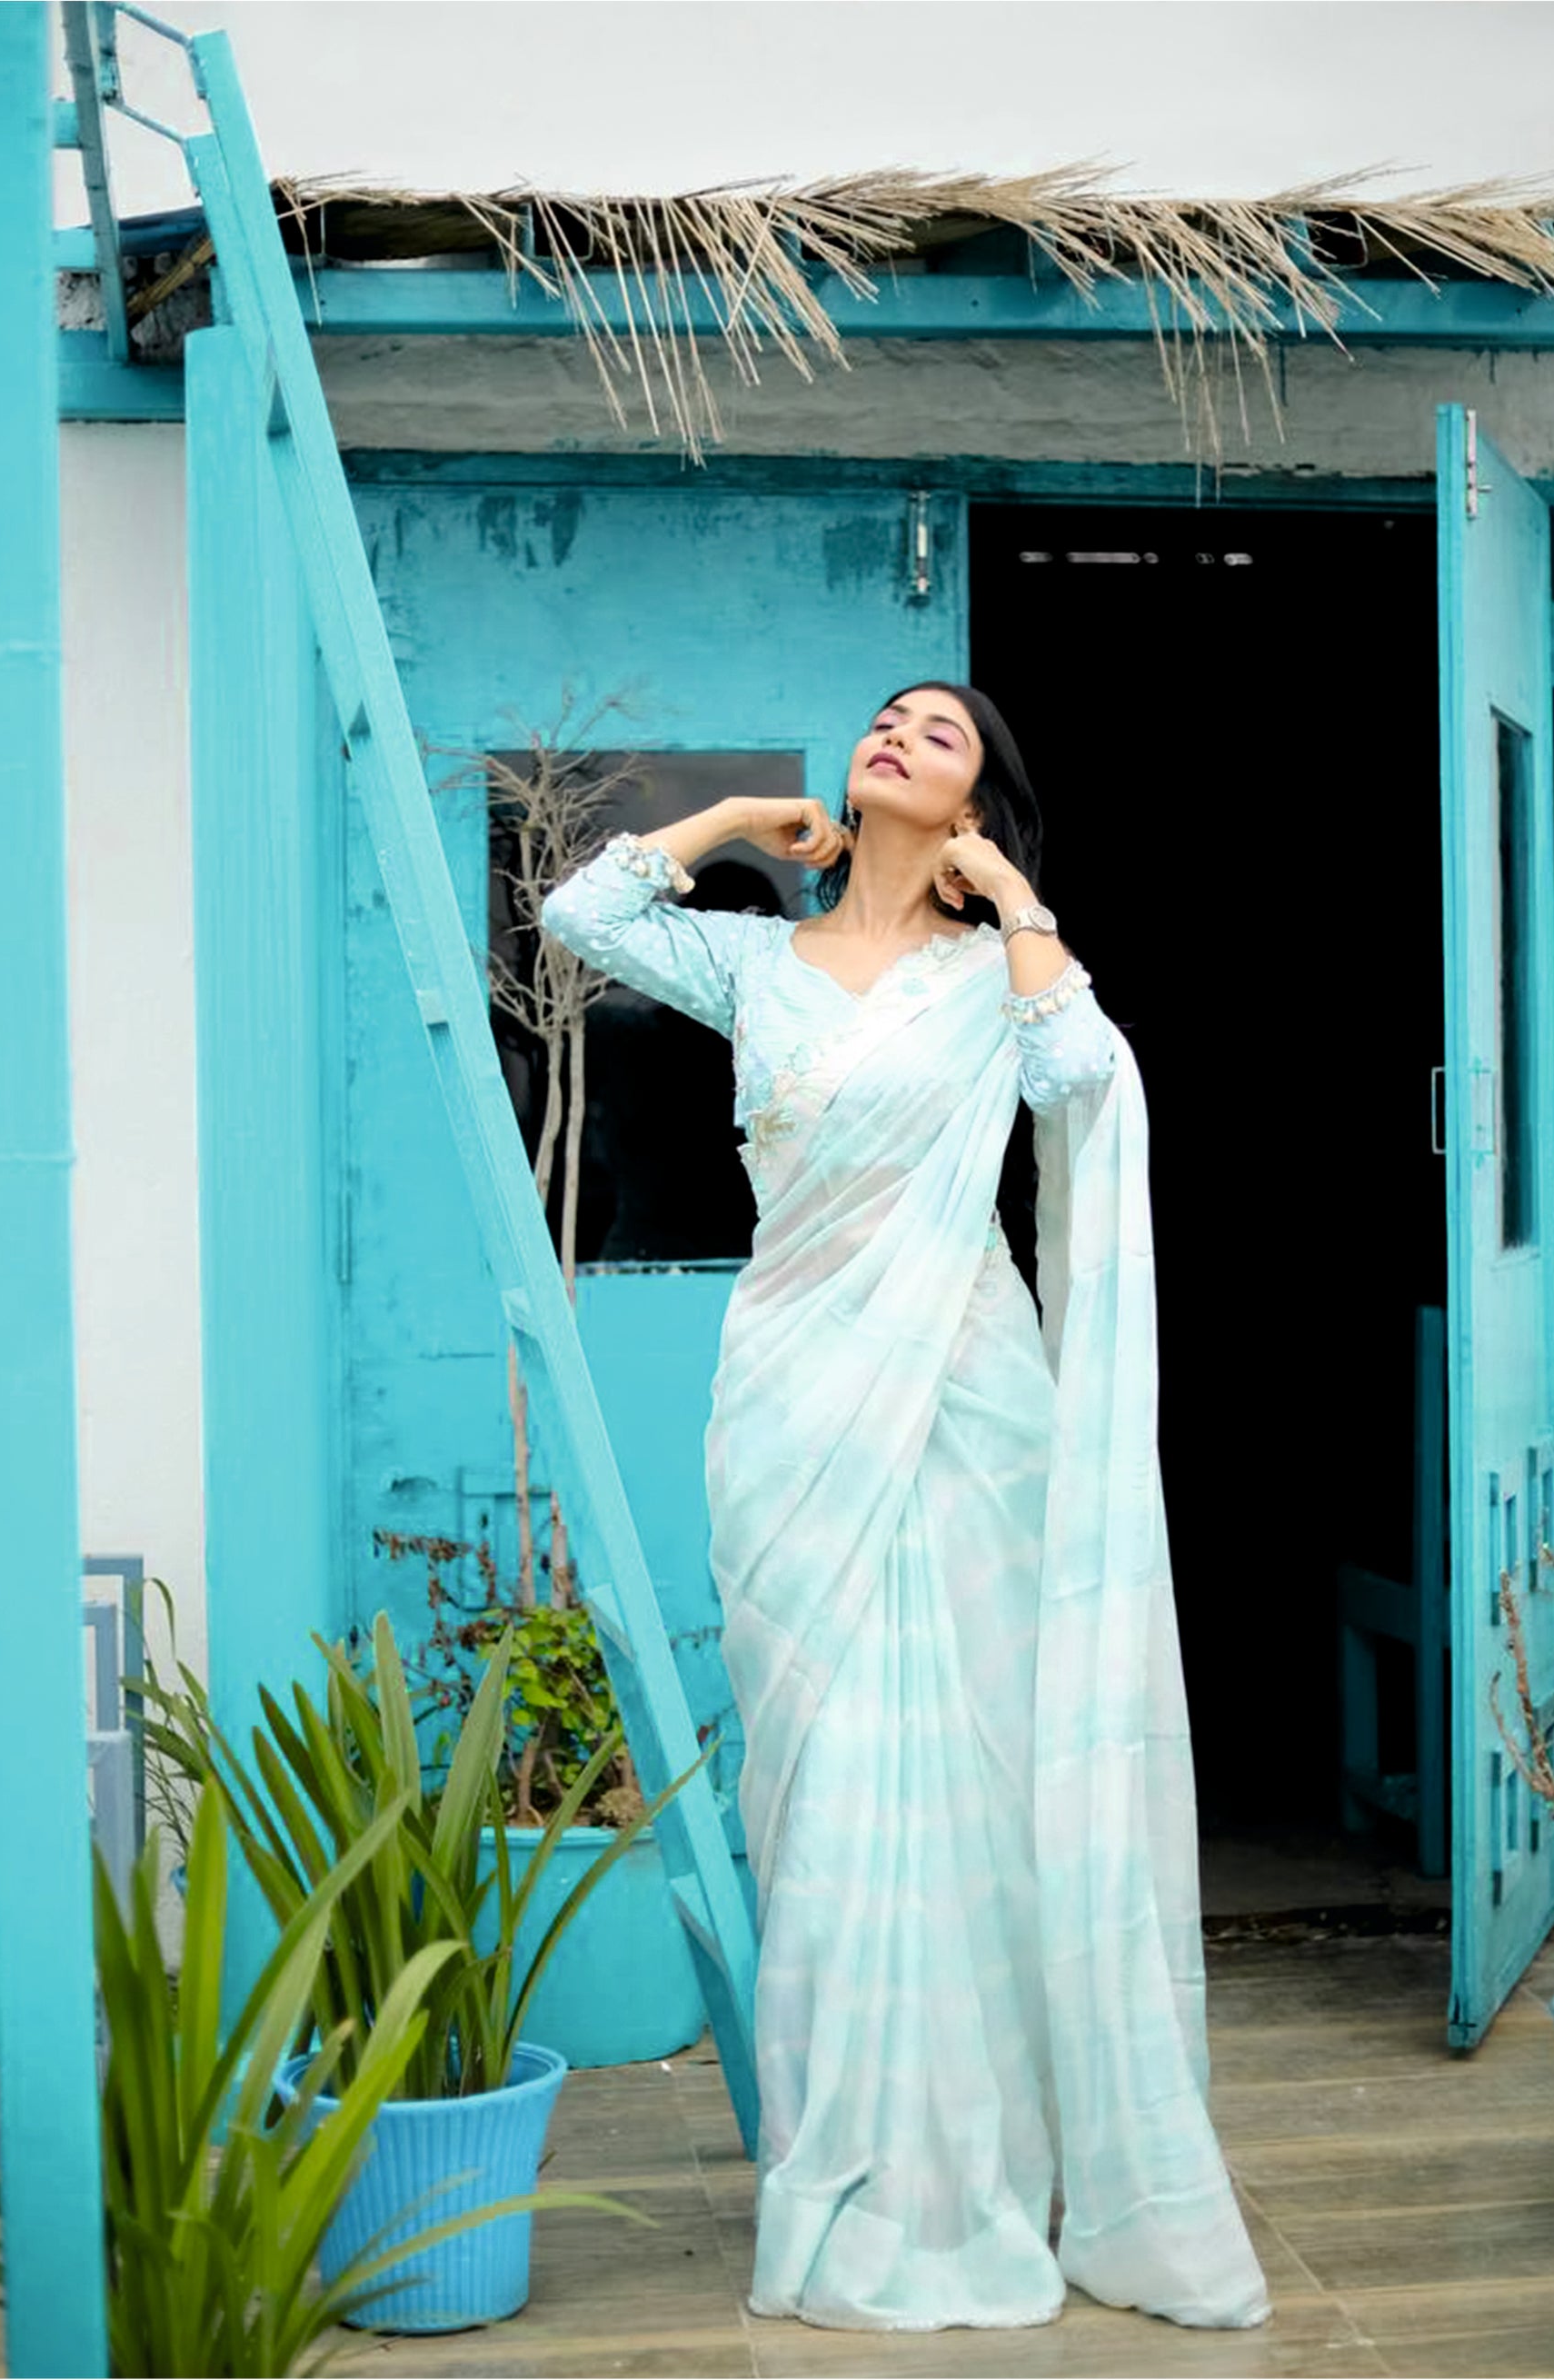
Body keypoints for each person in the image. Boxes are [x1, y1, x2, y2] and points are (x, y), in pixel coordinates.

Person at [541, 683, 1270, 2335]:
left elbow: (1085, 1085)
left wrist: (1015, 904)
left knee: (965, 1777)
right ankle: (848, 2144)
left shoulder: (988, 978)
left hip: (966, 1411)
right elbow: (578, 910)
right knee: (831, 1782)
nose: (893, 736)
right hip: (793, 1407)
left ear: (975, 799)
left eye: (938, 734)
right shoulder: (750, 966)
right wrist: (731, 827)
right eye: (883, 719)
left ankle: (980, 2156)